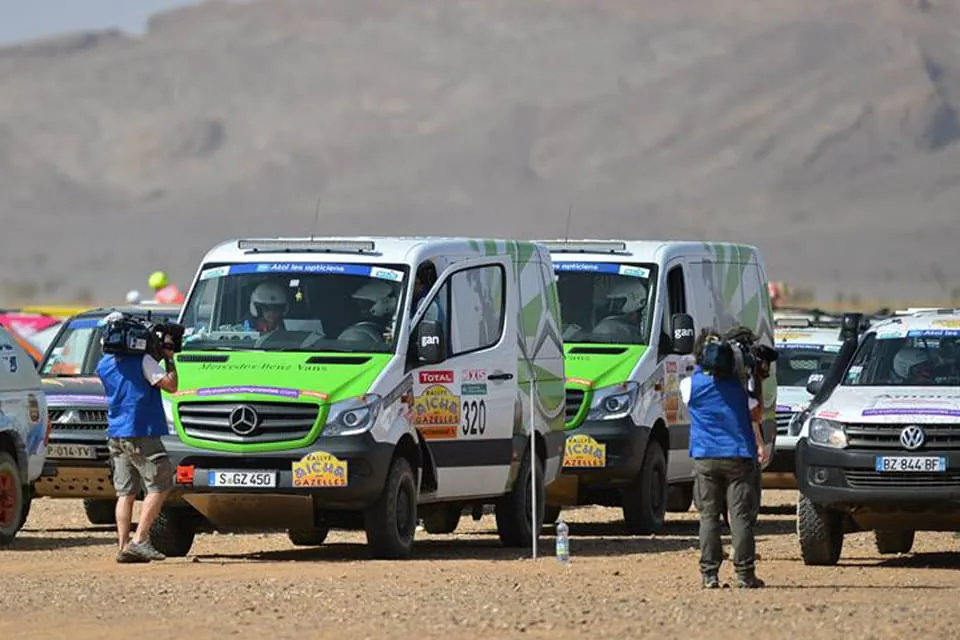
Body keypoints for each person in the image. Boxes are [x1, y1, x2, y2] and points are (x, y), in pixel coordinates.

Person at [679, 328, 766, 589]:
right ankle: (744, 574)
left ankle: (709, 574)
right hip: (738, 456)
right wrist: (756, 379)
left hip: (705, 456)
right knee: (739, 516)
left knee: (708, 516)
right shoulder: (739, 389)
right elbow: (757, 414)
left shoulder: (689, 386)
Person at [96, 314, 179, 563]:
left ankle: (123, 546)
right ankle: (140, 540)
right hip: (141, 430)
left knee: (126, 492)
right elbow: (171, 385)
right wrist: (169, 358)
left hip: (117, 432)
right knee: (161, 483)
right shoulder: (144, 361)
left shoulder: (105, 364)